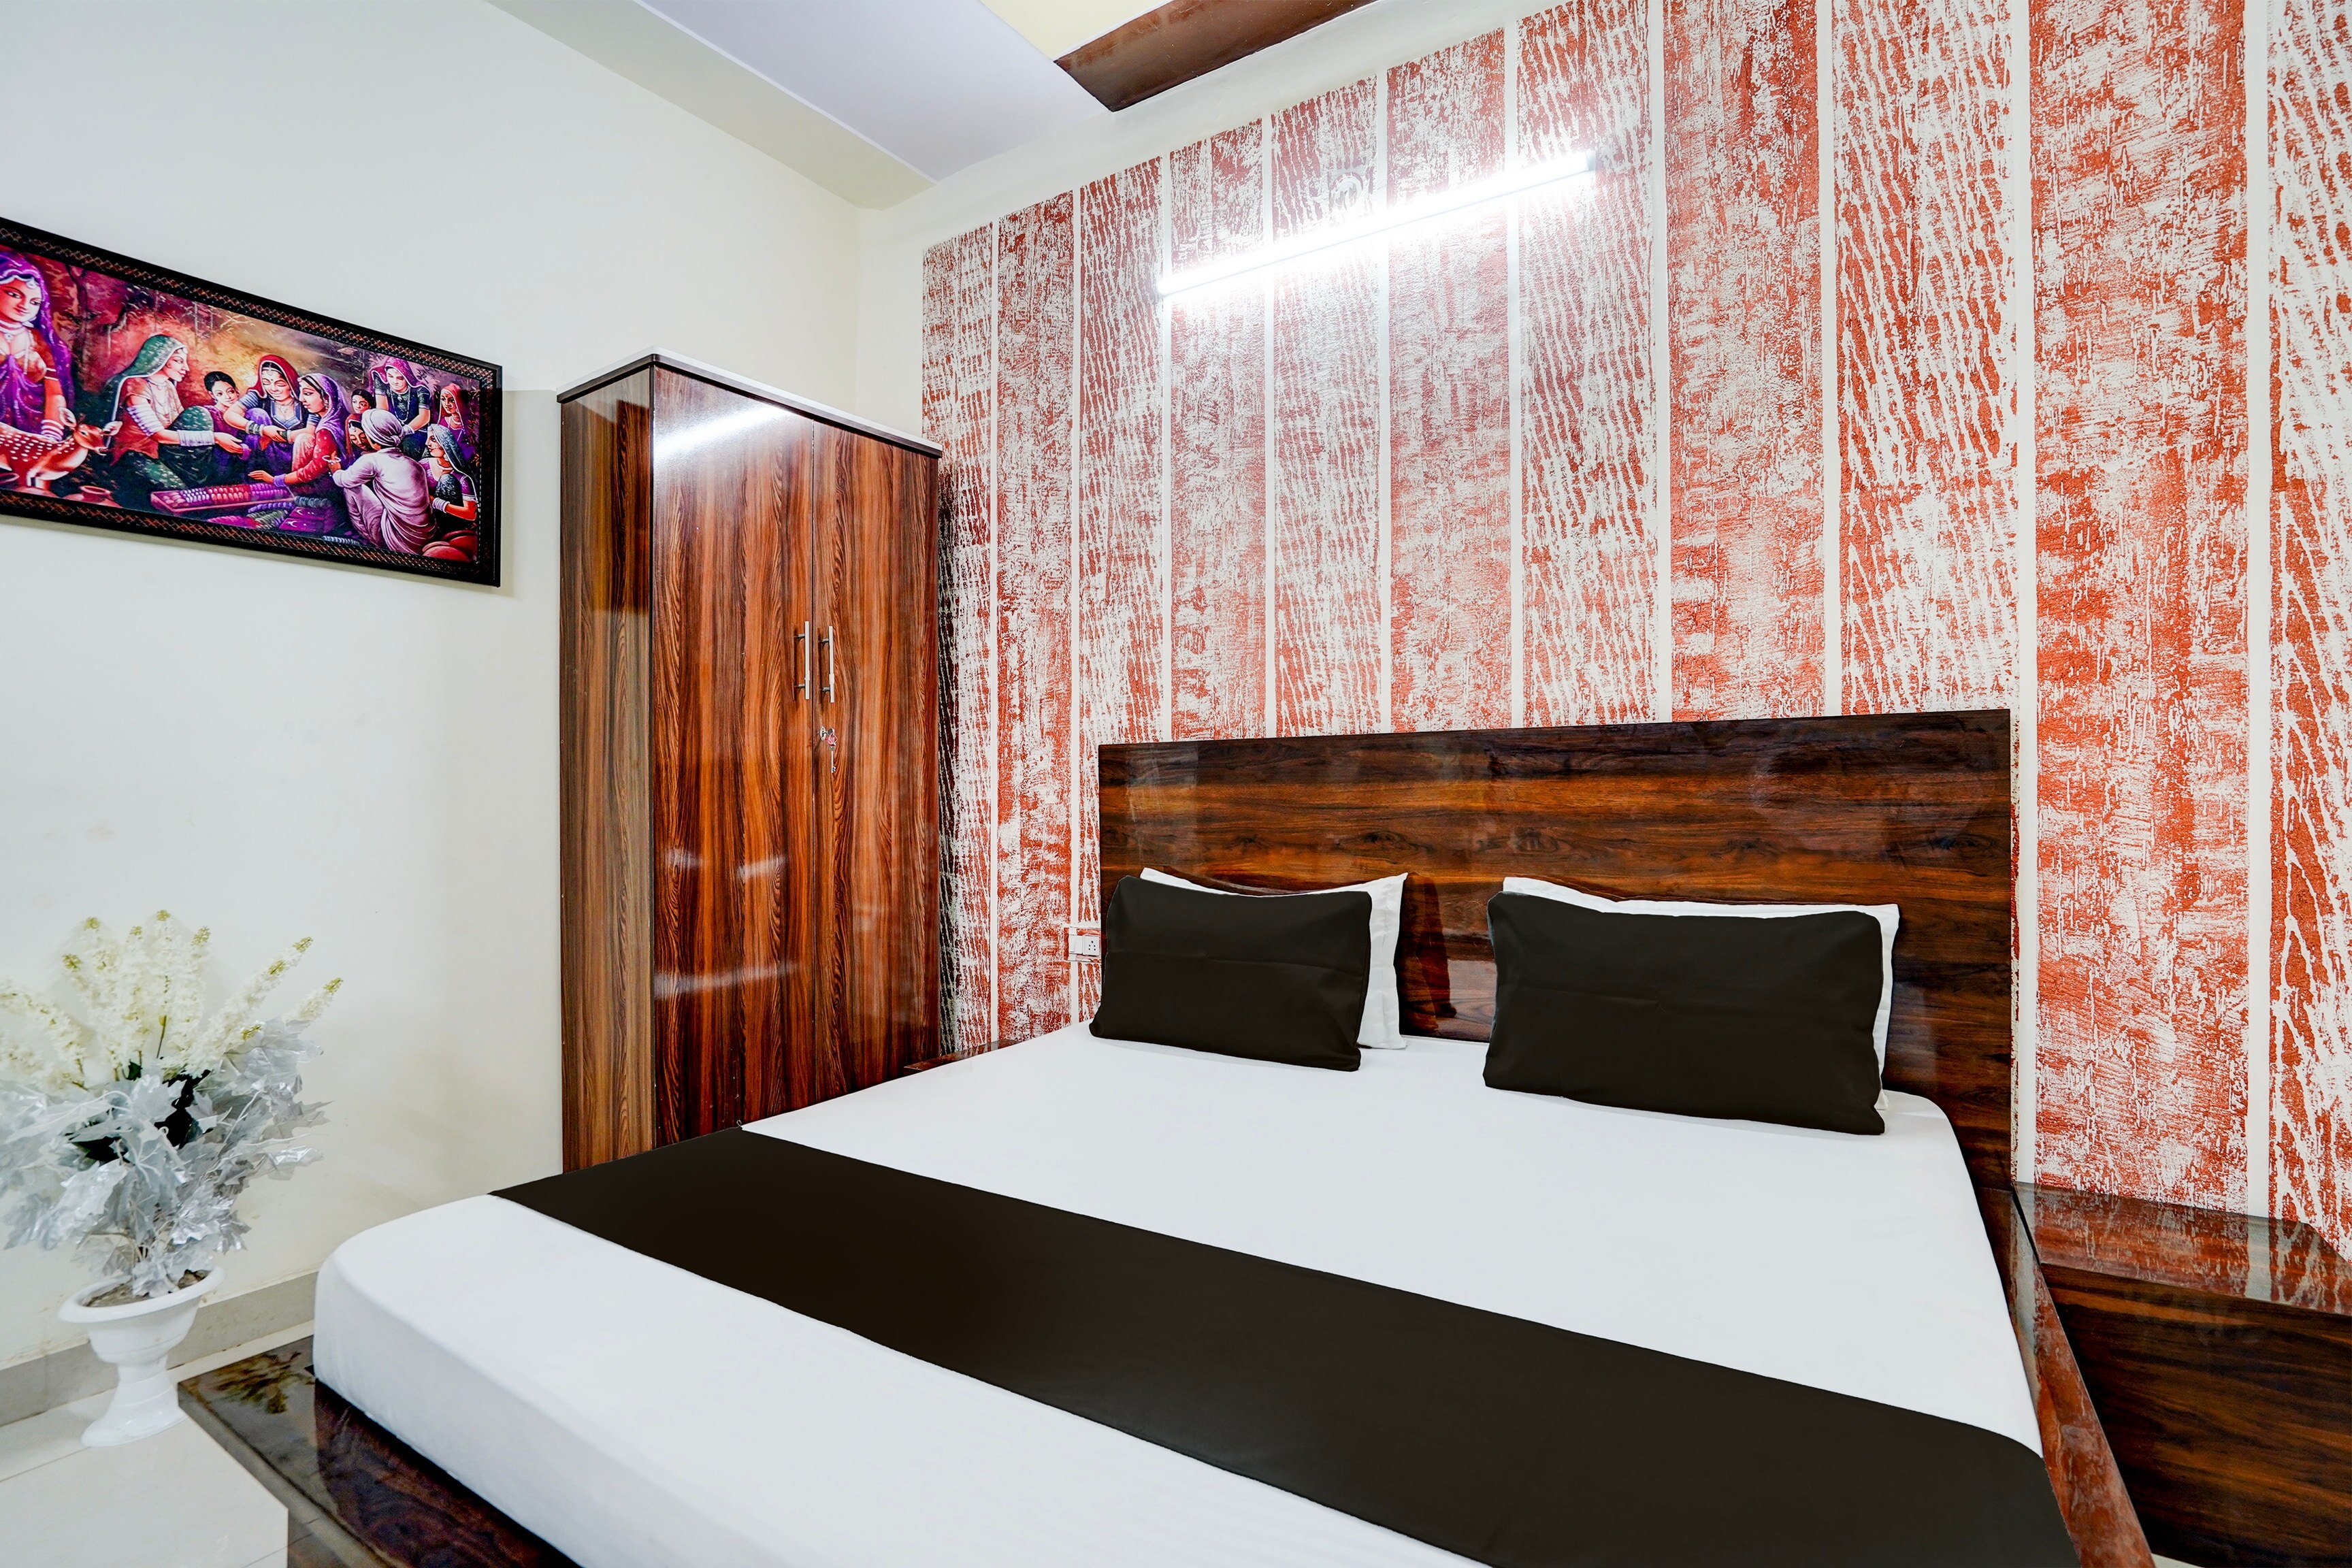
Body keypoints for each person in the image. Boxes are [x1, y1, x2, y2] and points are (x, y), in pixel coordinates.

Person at [101, 334, 246, 500]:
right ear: (159, 359)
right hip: (137, 455)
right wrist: (215, 438)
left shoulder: (168, 387)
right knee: (180, 494)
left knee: (199, 414)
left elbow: (182, 425)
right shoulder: (135, 385)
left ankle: (195, 479)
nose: (186, 368)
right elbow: (159, 435)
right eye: (179, 361)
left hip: (165, 453)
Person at [258, 371, 350, 534]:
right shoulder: (336, 419)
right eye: (301, 393)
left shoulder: (326, 430)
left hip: (331, 490)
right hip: (338, 484)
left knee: (303, 439)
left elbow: (315, 469)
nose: (301, 399)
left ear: (326, 397)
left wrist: (276, 480)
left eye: (308, 394)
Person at [333, 406, 432, 552]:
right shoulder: (415, 465)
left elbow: (344, 480)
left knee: (351, 488)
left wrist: (335, 470)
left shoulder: (373, 460)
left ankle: (370, 542)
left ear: (373, 439)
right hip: (425, 537)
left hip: (395, 538)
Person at [0, 249, 72, 439]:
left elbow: (54, 394)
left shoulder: (40, 340)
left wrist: (49, 438)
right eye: (14, 294)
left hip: (27, 437)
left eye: (35, 302)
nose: (25, 306)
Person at [238, 355, 307, 477]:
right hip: (264, 458)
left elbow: (312, 431)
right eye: (266, 383)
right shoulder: (259, 397)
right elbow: (230, 415)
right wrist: (263, 430)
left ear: (290, 382)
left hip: (297, 459)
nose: (273, 389)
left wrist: (279, 436)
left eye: (280, 384)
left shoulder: (305, 401)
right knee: (257, 414)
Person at [371, 357, 434, 457]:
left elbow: (424, 417)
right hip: (393, 430)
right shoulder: (382, 382)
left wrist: (404, 431)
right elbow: (382, 410)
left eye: (400, 378)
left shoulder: (421, 390)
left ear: (407, 377)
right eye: (390, 376)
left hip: (416, 431)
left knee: (409, 449)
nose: (395, 381)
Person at [427, 380, 476, 469]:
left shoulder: (470, 425)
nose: (447, 404)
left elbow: (472, 448)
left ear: (459, 401)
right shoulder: (443, 422)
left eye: (451, 400)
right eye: (443, 399)